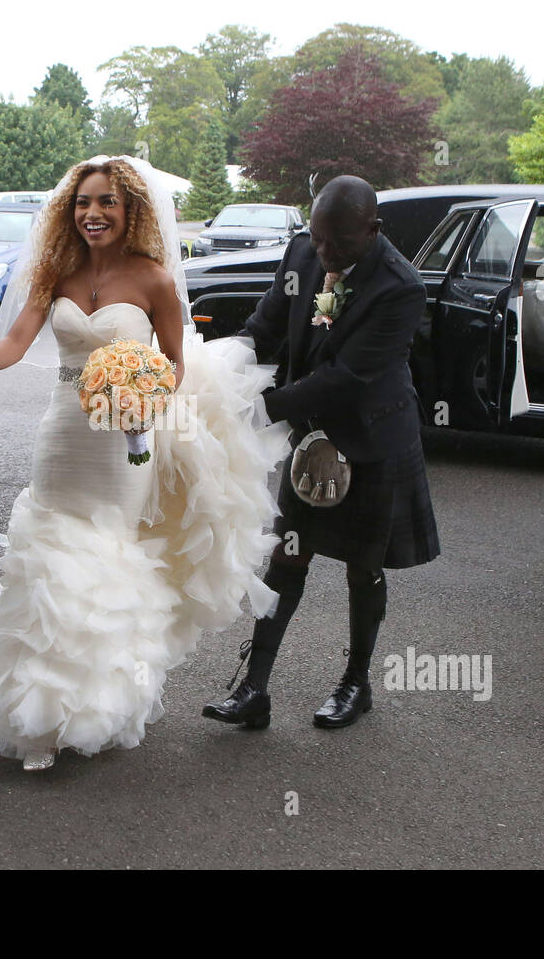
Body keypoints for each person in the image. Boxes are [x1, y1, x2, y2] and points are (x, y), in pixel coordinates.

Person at [0, 156, 287, 771]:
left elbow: (175, 364)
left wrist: (144, 395)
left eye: (106, 203)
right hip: (64, 436)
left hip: (124, 442)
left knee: (105, 564)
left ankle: (90, 705)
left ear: (130, 211)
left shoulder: (154, 280)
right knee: (48, 559)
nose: (93, 214)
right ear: (68, 213)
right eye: (82, 203)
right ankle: (36, 715)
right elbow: (13, 345)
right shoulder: (55, 273)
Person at [202, 175, 440, 731]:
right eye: (319, 239)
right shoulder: (302, 252)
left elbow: (349, 376)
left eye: (341, 244)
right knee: (288, 555)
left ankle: (355, 684)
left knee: (364, 568)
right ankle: (253, 689)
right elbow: (263, 328)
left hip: (373, 438)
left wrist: (264, 408)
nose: (327, 254)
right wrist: (217, 378)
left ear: (372, 230)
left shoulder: (401, 287)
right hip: (313, 437)